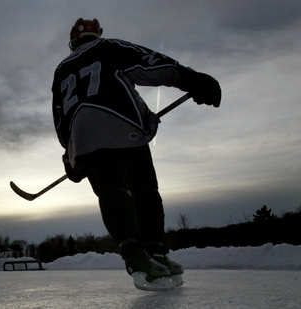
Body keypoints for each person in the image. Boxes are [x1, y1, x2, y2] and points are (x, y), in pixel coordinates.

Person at [51, 18, 220, 288]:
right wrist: (190, 79)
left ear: (72, 43)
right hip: (121, 127)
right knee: (145, 192)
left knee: (112, 192)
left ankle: (136, 253)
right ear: (97, 35)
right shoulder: (107, 47)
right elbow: (149, 63)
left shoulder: (61, 70)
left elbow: (60, 117)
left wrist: (70, 155)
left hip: (83, 141)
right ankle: (154, 252)